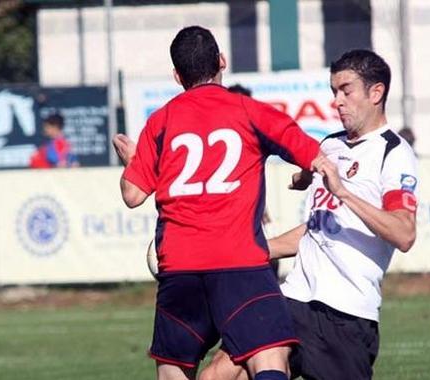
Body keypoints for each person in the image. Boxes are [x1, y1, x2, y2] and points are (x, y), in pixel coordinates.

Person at [113, 26, 328, 380]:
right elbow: (315, 155)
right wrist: (306, 174)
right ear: (222, 61)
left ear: (177, 76)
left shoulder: (161, 120)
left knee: (172, 367)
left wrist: (133, 161)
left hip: (179, 266)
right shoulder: (250, 111)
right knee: (269, 356)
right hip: (239, 262)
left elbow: (132, 195)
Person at [200, 49, 419, 380]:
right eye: (334, 92)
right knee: (217, 375)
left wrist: (343, 191)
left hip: (345, 315)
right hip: (293, 297)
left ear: (376, 93)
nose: (337, 101)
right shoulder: (329, 147)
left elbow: (404, 233)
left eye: (346, 90)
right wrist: (260, 248)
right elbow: (320, 228)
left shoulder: (394, 153)